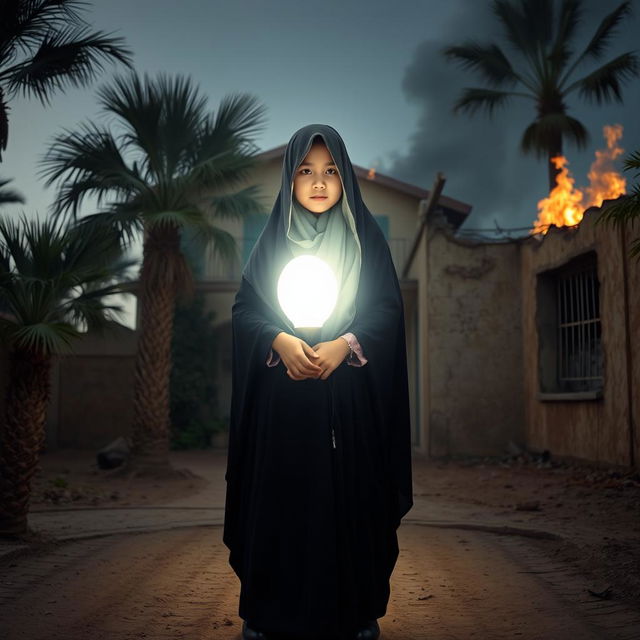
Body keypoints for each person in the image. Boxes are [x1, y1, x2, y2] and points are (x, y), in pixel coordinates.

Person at [223, 124, 413, 640]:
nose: (319, 181)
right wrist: (279, 341)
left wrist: (344, 344)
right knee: (280, 503)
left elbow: (387, 311)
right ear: (290, 178)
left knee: (350, 500)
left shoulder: (367, 241)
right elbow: (245, 311)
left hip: (347, 405)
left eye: (331, 171)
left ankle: (355, 614)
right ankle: (265, 614)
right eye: (306, 170)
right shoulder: (270, 245)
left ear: (346, 177)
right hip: (283, 406)